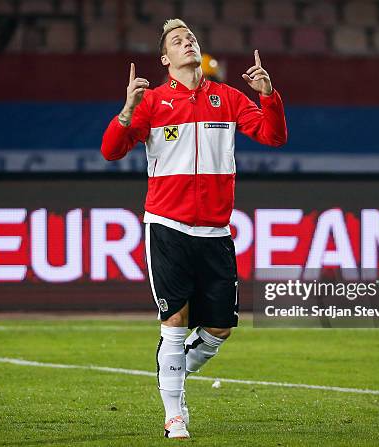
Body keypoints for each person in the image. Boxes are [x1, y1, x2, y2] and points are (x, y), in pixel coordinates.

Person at [100, 18, 287, 439]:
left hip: (216, 233)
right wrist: (127, 110)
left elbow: (274, 137)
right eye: (178, 41)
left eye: (192, 38)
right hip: (166, 227)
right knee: (175, 320)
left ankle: (174, 370)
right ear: (166, 59)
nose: (188, 43)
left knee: (221, 328)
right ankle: (174, 415)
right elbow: (111, 151)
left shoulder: (229, 98)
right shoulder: (150, 103)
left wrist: (269, 96)